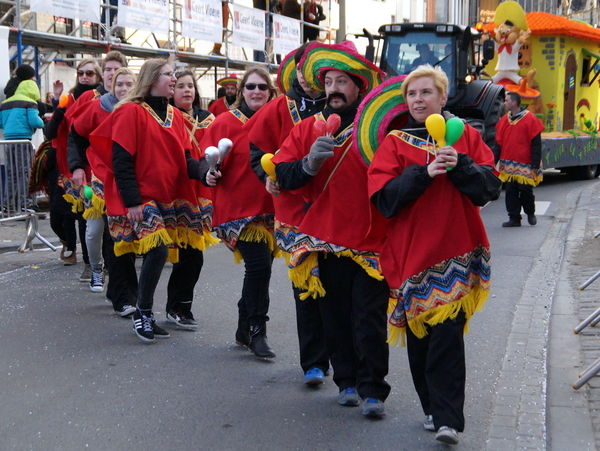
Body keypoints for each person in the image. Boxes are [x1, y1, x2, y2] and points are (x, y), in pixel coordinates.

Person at [367, 65, 502, 444]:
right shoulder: (394, 143)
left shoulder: (466, 137)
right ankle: (431, 407)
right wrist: (423, 173)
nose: (418, 100)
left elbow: (488, 187)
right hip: (410, 257)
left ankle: (447, 419)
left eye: (426, 93)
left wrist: (461, 166)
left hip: (457, 253)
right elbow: (385, 201)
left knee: (446, 337)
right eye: (412, 94)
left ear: (443, 99)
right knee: (421, 339)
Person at [271, 41, 390, 418]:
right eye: (329, 82)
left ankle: (373, 388)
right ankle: (348, 382)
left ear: (358, 88)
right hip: (326, 238)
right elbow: (282, 174)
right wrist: (307, 164)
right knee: (334, 316)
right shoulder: (308, 128)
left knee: (368, 318)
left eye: (343, 81)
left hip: (372, 238)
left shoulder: (380, 128)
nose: (334, 88)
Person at [89, 57, 207, 343]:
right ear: (153, 78)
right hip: (139, 196)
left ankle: (160, 309)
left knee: (172, 251)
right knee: (157, 251)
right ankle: (143, 313)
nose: (174, 79)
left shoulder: (175, 115)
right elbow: (121, 160)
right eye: (168, 74)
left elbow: (186, 159)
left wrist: (205, 172)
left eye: (174, 73)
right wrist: (132, 202)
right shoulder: (131, 111)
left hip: (167, 195)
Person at [244, 42, 329, 384]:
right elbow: (257, 150)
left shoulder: (340, 103)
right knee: (305, 284)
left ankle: (347, 367)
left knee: (337, 288)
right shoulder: (279, 107)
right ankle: (314, 362)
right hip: (293, 207)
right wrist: (266, 176)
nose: (309, 77)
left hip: (337, 207)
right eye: (302, 68)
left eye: (315, 70)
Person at [197, 65, 278, 359]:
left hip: (270, 209)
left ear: (271, 92)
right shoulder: (224, 122)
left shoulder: (277, 121)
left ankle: (244, 326)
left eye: (262, 87)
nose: (256, 92)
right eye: (251, 87)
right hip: (237, 209)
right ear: (241, 91)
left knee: (261, 271)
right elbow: (207, 159)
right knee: (259, 267)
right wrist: (210, 173)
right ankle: (258, 330)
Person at [70, 68, 139, 313]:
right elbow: (76, 134)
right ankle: (100, 274)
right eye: (119, 84)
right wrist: (79, 165)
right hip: (101, 180)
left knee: (126, 237)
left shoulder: (139, 111)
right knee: (103, 232)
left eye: (129, 84)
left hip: (129, 180)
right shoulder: (98, 107)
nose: (123, 89)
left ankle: (123, 293)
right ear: (111, 85)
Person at [67, 51, 128, 291]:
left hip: (124, 180)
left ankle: (120, 285)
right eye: (108, 70)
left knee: (120, 232)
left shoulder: (136, 106)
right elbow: (75, 135)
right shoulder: (94, 103)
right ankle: (94, 267)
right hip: (96, 178)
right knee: (93, 231)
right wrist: (77, 167)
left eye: (117, 70)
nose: (112, 75)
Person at [164, 69, 219, 329]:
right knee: (158, 254)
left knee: (193, 256)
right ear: (170, 91)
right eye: (181, 86)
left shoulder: (209, 119)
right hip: (169, 190)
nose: (187, 90)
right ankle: (134, 303)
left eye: (190, 86)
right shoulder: (164, 118)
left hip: (199, 192)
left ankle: (180, 307)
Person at [44, 58, 103, 268]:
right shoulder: (68, 99)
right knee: (59, 215)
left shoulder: (101, 98)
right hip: (65, 164)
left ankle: (90, 263)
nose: (84, 77)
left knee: (84, 218)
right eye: (81, 73)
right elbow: (50, 133)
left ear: (98, 76)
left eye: (89, 73)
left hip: (91, 165)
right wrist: (59, 103)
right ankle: (69, 245)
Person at [496, 91, 544, 227]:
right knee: (510, 191)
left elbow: (536, 144)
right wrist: (493, 161)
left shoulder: (530, 119)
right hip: (508, 163)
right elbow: (498, 144)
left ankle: (530, 212)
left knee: (525, 190)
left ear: (514, 103)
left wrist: (535, 163)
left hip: (525, 163)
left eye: (506, 100)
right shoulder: (504, 120)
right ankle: (514, 218)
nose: (504, 103)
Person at [0, 79, 45, 211]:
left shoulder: (6, 103)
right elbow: (35, 122)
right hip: (23, 140)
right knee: (25, 172)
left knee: (11, 172)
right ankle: (25, 203)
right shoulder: (30, 103)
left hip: (9, 141)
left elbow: (1, 123)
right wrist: (42, 122)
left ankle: (8, 204)